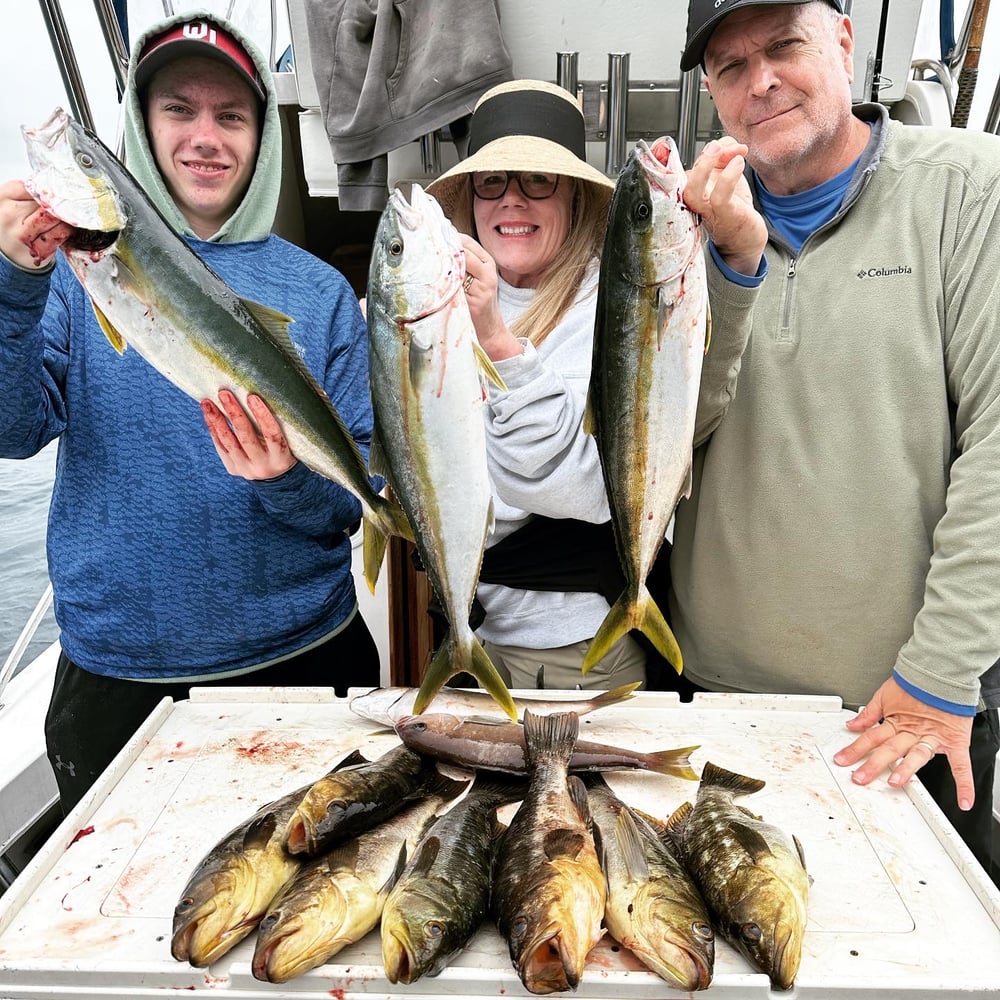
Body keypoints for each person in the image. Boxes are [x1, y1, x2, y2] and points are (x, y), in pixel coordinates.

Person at [0, 11, 380, 814]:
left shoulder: (319, 295)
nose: (206, 136)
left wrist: (286, 481)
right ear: (142, 128)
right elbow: (13, 430)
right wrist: (14, 284)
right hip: (117, 677)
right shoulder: (66, 272)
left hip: (303, 658)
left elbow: (345, 509)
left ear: (261, 135)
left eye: (231, 115)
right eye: (179, 109)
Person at [670, 0, 1000, 884]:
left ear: (845, 42)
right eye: (731, 67)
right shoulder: (685, 231)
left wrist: (939, 677)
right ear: (711, 92)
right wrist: (731, 268)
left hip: (903, 720)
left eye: (785, 46)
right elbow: (667, 446)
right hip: (713, 703)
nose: (761, 81)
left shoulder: (969, 188)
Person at [425, 79, 766, 691]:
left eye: (538, 181)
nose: (512, 202)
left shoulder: (609, 307)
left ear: (575, 197)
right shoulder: (433, 302)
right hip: (469, 637)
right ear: (471, 197)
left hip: (578, 652)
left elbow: (588, 491)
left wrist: (500, 348)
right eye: (492, 181)